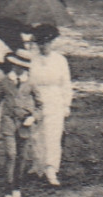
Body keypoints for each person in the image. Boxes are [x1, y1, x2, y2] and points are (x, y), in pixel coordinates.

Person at [27, 25, 74, 186]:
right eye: (40, 43)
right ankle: (37, 165)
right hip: (35, 99)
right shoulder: (31, 59)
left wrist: (66, 104)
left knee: (52, 135)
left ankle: (51, 168)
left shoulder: (60, 60)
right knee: (35, 134)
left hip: (54, 100)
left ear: (52, 42)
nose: (43, 46)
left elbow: (65, 84)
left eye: (46, 43)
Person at [0, 51, 40, 197]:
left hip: (24, 124)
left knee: (21, 156)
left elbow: (40, 105)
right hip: (8, 122)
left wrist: (33, 117)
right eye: (18, 65)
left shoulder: (31, 83)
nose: (20, 69)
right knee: (10, 154)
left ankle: (17, 187)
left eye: (24, 67)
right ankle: (7, 191)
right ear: (13, 64)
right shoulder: (4, 82)